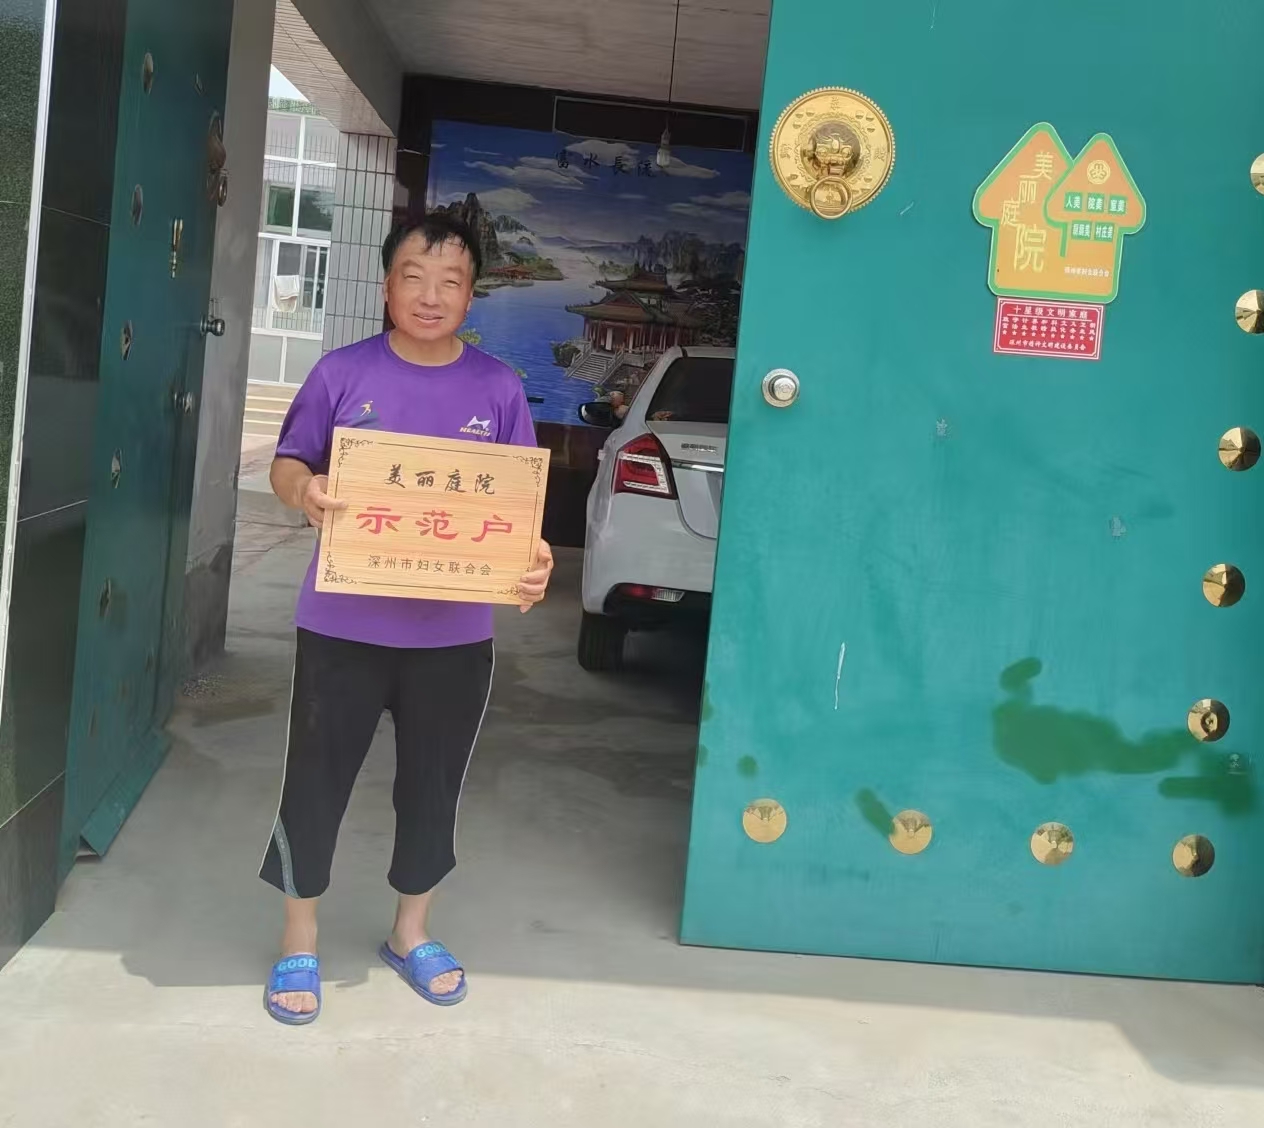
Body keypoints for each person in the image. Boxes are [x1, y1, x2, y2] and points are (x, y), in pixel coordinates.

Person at [259, 213, 554, 1024]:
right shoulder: (340, 373)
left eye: (450, 281)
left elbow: (520, 510)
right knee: (315, 782)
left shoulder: (498, 388)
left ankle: (410, 931)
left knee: (432, 788)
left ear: (472, 295)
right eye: (413, 277)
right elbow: (288, 464)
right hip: (341, 627)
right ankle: (298, 937)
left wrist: (534, 562)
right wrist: (305, 490)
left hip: (453, 639)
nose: (430, 295)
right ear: (386, 286)